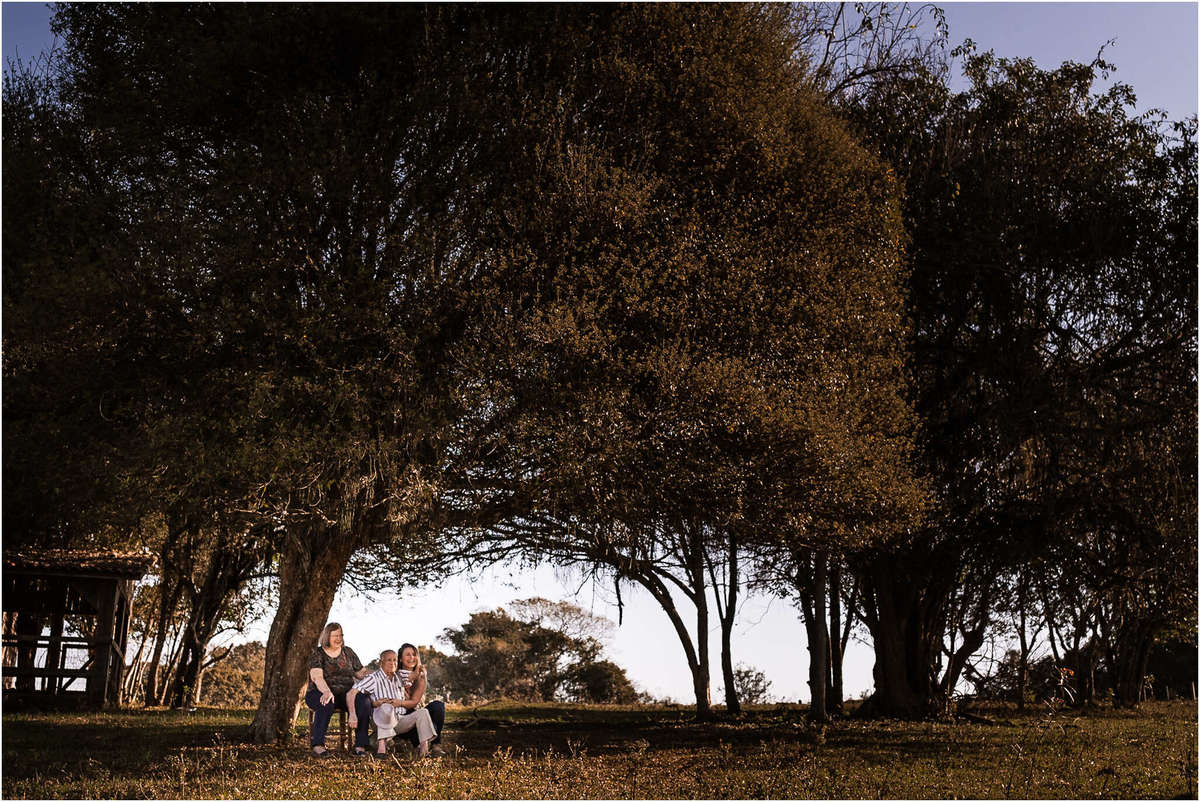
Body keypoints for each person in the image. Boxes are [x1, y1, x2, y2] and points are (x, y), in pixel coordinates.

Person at [305, 622, 373, 757]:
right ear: (326, 636)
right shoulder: (317, 653)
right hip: (319, 692)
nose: (339, 638)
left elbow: (361, 673)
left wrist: (381, 673)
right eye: (335, 635)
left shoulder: (348, 652)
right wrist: (326, 691)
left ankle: (360, 745)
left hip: (345, 695)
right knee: (327, 702)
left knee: (364, 701)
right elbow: (317, 677)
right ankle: (318, 745)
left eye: (341, 635)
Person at [346, 649, 422, 759]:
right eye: (389, 660)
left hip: (399, 719)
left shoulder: (399, 676)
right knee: (385, 706)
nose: (393, 663)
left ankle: (424, 750)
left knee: (422, 712)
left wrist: (418, 665)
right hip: (380, 719)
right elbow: (351, 693)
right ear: (381, 662)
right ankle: (381, 750)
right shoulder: (373, 678)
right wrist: (353, 715)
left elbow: (414, 675)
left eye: (395, 660)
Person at [396, 642, 446, 756]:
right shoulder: (395, 675)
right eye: (407, 655)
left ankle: (435, 745)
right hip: (402, 718)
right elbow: (409, 703)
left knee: (438, 706)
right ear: (400, 659)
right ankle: (417, 745)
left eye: (414, 654)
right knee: (411, 711)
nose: (412, 658)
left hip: (417, 712)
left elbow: (415, 701)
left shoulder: (421, 675)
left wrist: (420, 678)